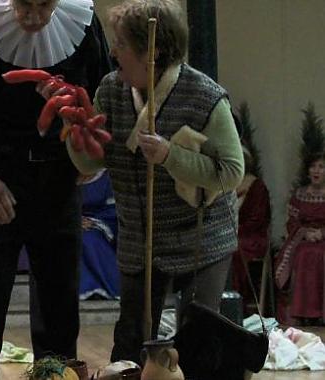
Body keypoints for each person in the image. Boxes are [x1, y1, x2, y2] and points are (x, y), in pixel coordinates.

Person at [64, 0, 244, 364]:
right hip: (138, 236)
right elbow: (91, 161)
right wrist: (75, 136)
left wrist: (169, 156)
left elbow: (231, 173)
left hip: (200, 236)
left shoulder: (204, 96)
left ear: (153, 51)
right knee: (131, 333)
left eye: (122, 44)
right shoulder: (111, 90)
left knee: (198, 335)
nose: (113, 51)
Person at [0, 0, 113, 377]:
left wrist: (89, 154)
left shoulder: (83, 26)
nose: (36, 17)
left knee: (59, 308)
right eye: (25, 5)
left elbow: (103, 97)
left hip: (58, 179)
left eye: (46, 6)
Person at [275, 152, 325, 326]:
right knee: (303, 253)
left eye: (321, 167)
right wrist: (305, 233)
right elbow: (293, 221)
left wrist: (321, 233)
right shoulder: (300, 194)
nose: (316, 171)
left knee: (317, 254)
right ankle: (301, 312)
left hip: (323, 240)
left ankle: (319, 313)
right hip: (302, 238)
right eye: (313, 167)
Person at [231, 146, 270, 315]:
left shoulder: (256, 186)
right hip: (230, 234)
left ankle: (237, 300)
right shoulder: (227, 183)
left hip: (252, 236)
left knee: (234, 249)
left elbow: (257, 220)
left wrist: (235, 231)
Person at [78, 169, 119, 300]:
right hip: (70, 222)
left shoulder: (107, 177)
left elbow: (113, 210)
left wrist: (93, 223)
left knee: (88, 239)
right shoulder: (65, 176)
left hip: (101, 223)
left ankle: (104, 286)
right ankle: (86, 287)